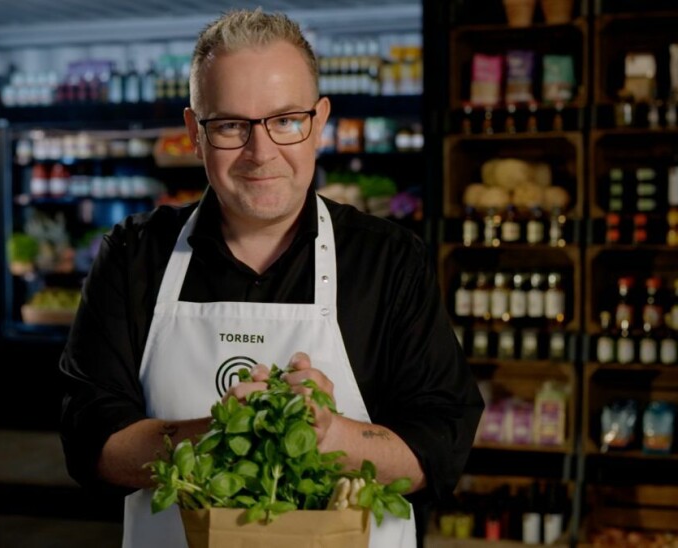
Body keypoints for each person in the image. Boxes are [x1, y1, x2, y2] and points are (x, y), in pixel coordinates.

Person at [59, 8, 483, 548]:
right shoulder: (134, 256)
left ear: (319, 124)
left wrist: (328, 435)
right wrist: (216, 433)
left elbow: (439, 444)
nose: (262, 154)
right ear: (195, 133)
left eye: (285, 120)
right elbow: (91, 442)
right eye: (232, 125)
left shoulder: (389, 260)